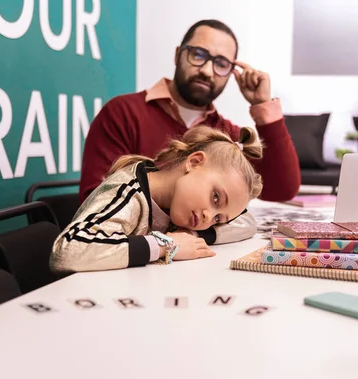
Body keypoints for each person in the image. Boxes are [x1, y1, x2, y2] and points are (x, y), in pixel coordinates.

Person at [79, 19, 300, 205]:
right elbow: (95, 202)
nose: (206, 71)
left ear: (231, 73)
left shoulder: (226, 136)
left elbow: (282, 190)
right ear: (177, 55)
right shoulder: (123, 113)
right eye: (198, 54)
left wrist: (263, 107)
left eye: (221, 63)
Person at [51, 126, 263, 273]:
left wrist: (191, 235)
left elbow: (247, 223)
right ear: (194, 162)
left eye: (218, 219)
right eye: (215, 197)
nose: (209, 217)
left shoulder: (179, 204)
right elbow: (68, 250)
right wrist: (166, 245)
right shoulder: (129, 193)